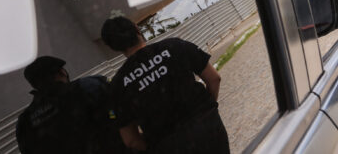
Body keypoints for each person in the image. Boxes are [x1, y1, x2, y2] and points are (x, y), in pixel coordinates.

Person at [101, 16, 229, 154]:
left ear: (113, 47)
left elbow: (130, 140)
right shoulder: (174, 46)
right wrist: (206, 111)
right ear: (137, 28)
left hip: (169, 146)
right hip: (208, 129)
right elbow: (214, 78)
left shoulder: (118, 86)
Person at [16, 56, 127, 154]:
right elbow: (117, 111)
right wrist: (113, 117)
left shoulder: (25, 122)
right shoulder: (88, 86)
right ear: (62, 72)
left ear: (35, 85)